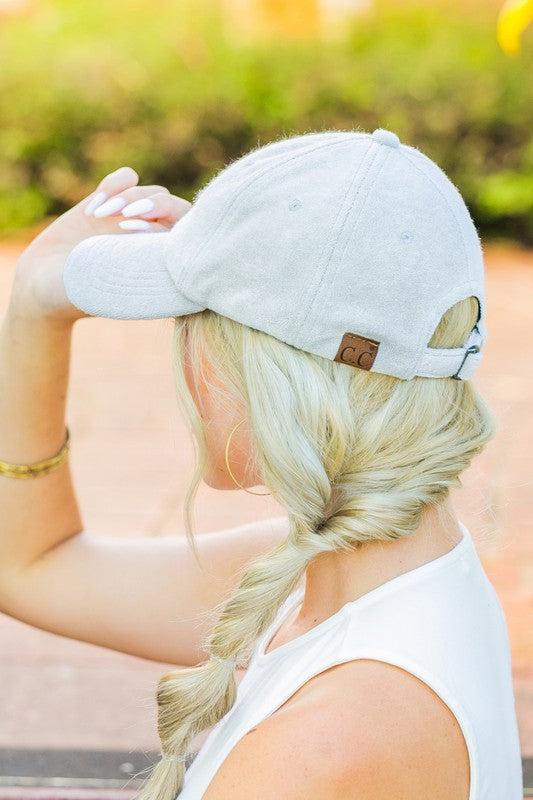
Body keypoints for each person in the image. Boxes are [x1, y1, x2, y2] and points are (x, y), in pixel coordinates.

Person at [0, 128, 523, 800]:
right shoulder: (353, 569)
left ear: (257, 368)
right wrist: (32, 314)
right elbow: (28, 565)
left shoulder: (325, 746)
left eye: (189, 322)